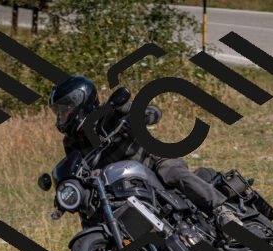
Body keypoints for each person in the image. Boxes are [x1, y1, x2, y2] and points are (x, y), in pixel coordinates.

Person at [48, 75, 242, 228]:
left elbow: (154, 111)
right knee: (90, 207)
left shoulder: (111, 111)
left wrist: (139, 118)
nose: (61, 116)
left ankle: (221, 211)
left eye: (64, 110)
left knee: (171, 171)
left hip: (153, 162)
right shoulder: (71, 142)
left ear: (81, 103)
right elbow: (78, 170)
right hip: (121, 184)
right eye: (58, 112)